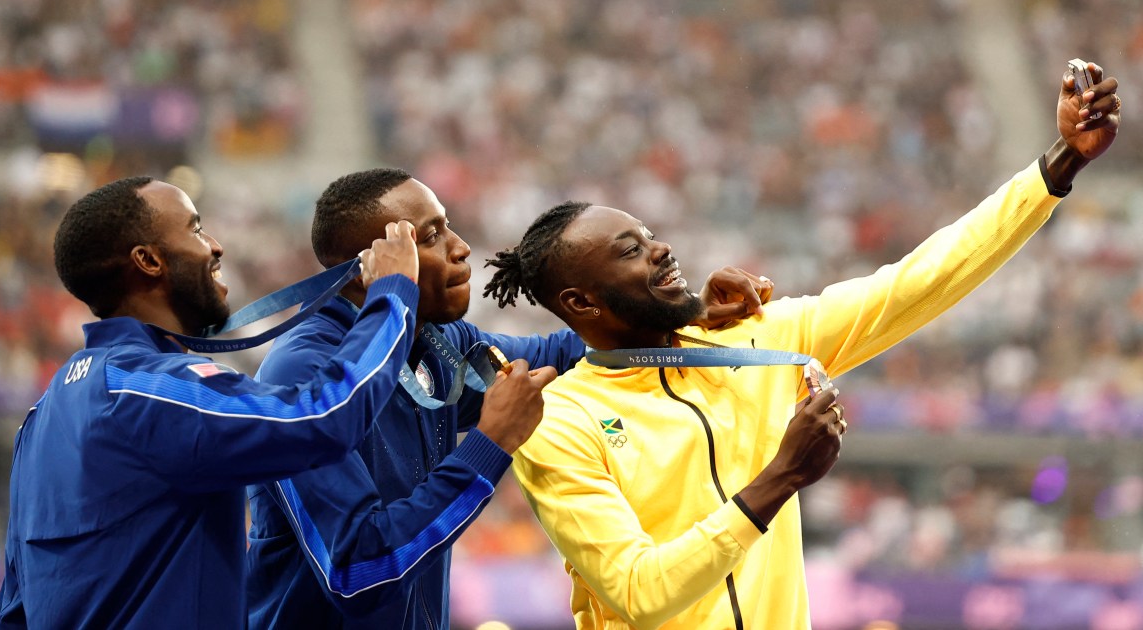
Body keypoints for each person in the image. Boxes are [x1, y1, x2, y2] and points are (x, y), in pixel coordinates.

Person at [483, 65, 1122, 629]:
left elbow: (920, 281)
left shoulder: (757, 339)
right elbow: (639, 593)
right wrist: (781, 476)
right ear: (581, 304)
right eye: (631, 251)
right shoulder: (560, 421)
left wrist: (1060, 164)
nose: (661, 249)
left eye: (650, 235)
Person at [244, 168, 772, 629]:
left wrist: (680, 308)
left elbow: (563, 351)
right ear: (373, 266)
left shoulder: (432, 343)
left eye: (447, 224)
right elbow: (360, 573)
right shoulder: (301, 377)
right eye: (430, 237)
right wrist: (490, 442)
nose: (461, 246)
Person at [0, 176, 422, 629]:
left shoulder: (39, 421)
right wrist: (393, 296)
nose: (215, 246)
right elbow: (323, 417)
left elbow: (14, 611)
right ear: (149, 260)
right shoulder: (148, 389)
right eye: (196, 230)